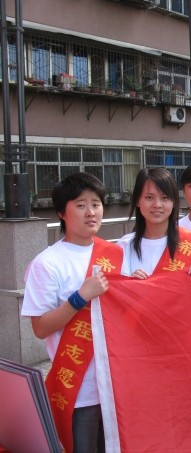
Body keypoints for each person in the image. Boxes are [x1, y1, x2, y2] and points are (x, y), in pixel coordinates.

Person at [21, 173, 123, 452]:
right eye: (80, 205)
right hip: (81, 390)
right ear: (61, 213)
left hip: (116, 385)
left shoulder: (116, 254)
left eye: (96, 204)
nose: (91, 212)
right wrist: (79, 298)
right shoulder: (47, 263)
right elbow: (40, 327)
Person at [119, 168, 191, 278]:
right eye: (149, 197)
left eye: (164, 198)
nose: (157, 205)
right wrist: (130, 283)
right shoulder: (125, 246)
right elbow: (116, 286)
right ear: (137, 200)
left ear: (174, 202)